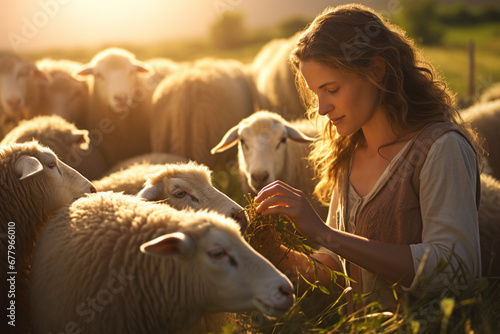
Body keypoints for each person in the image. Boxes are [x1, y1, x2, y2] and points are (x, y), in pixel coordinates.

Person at [253, 3, 483, 311]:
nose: (321, 108)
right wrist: (273, 251)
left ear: (376, 71)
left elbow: (455, 269)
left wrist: (324, 233)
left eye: (331, 89)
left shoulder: (441, 148)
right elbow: (339, 270)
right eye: (315, 94)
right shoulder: (345, 155)